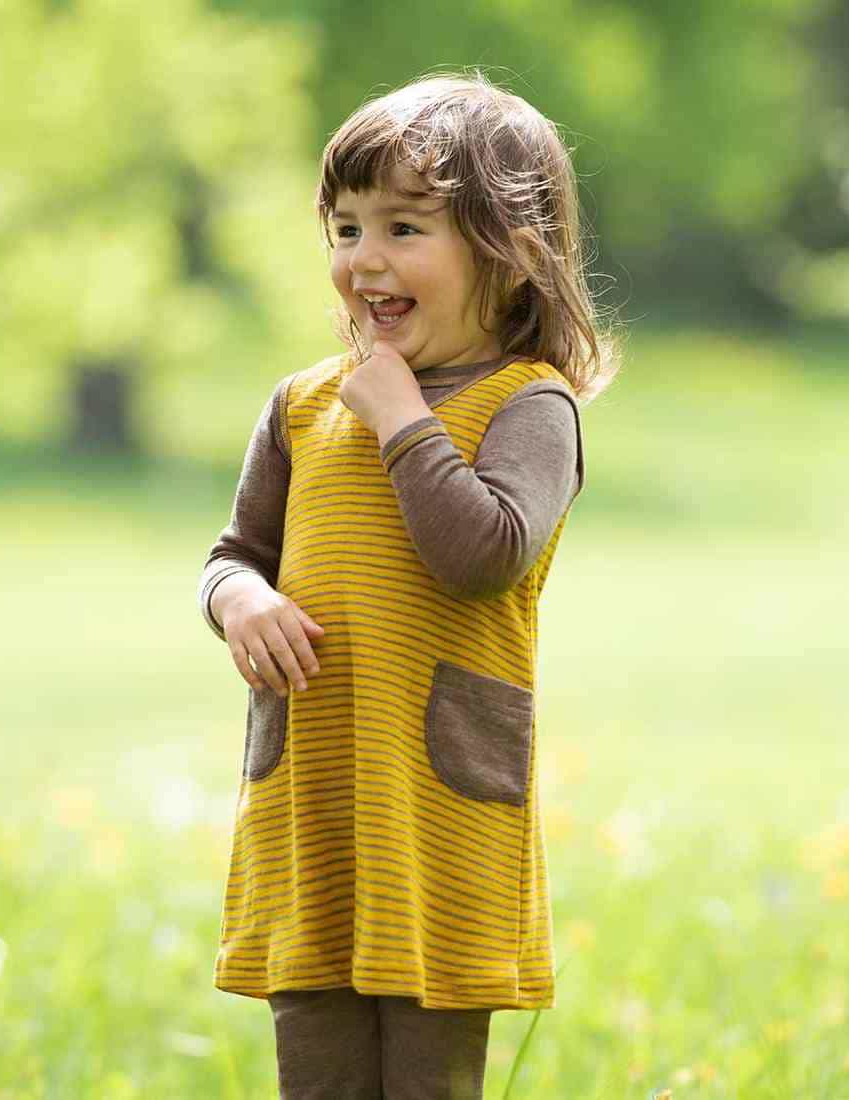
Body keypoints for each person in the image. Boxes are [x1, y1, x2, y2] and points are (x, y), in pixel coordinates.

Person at [197, 68, 620, 1100]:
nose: (363, 260)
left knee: (427, 1079)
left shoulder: (530, 405)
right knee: (318, 1070)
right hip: (314, 793)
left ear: (508, 251)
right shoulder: (302, 405)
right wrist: (239, 602)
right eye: (344, 228)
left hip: (436, 802)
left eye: (401, 228)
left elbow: (479, 556)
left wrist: (400, 417)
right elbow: (233, 553)